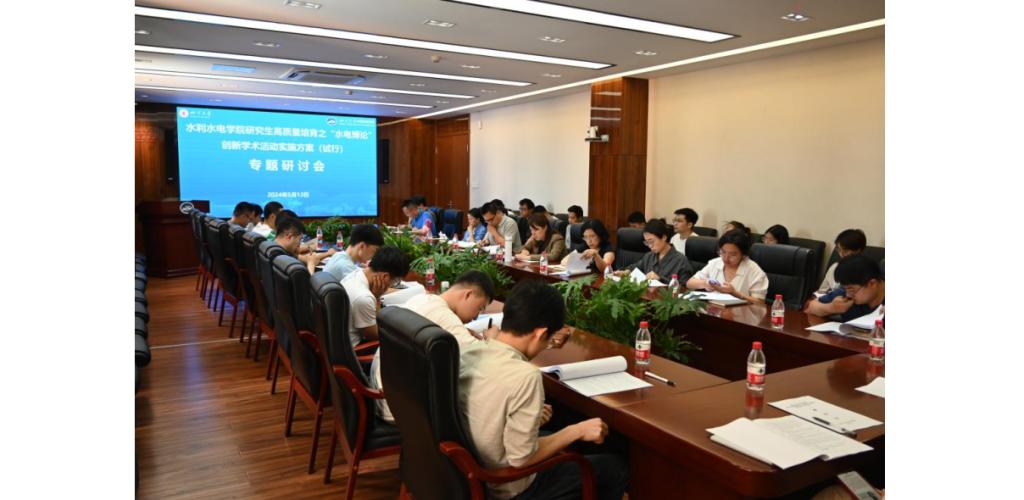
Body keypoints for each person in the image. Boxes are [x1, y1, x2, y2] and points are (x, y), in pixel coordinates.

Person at [458, 280, 629, 500]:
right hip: (509, 486)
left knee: (565, 436)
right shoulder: (525, 376)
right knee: (615, 467)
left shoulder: (469, 352)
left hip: (473, 470)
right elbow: (521, 458)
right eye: (549, 341)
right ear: (540, 334)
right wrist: (576, 430)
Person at [371, 270, 497, 423]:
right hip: (402, 410)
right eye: (480, 308)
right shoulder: (446, 318)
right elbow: (485, 361)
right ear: (468, 295)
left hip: (384, 393)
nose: (476, 316)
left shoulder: (422, 298)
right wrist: (492, 340)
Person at [340, 246, 410, 347]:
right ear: (385, 276)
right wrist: (377, 298)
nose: (392, 285)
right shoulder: (364, 298)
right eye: (395, 281)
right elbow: (375, 335)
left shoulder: (355, 274)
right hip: (358, 349)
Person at [686, 229, 769, 304]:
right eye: (723, 252)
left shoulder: (753, 270)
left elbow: (760, 302)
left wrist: (735, 293)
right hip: (714, 310)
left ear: (743, 254)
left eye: (733, 255)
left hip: (740, 313)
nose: (726, 258)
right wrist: (706, 283)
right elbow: (689, 283)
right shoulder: (715, 263)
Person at [805, 254, 884, 321]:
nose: (848, 295)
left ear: (872, 284)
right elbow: (810, 307)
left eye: (851, 290)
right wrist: (831, 308)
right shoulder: (845, 294)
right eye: (845, 288)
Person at [617, 219, 694, 284]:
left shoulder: (681, 261)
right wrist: (625, 272)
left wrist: (660, 279)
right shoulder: (649, 256)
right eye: (647, 242)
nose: (650, 246)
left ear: (664, 237)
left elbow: (685, 287)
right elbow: (635, 267)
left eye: (652, 241)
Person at [816, 229, 868, 294]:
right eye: (839, 249)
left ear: (858, 250)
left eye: (845, 251)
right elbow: (821, 291)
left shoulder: (866, 271)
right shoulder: (835, 267)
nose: (841, 254)